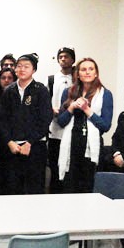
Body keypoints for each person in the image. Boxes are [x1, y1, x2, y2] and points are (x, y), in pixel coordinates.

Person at [0, 54, 53, 194]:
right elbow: (2, 119)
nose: (22, 69)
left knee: (34, 189)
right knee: (13, 189)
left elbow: (45, 119)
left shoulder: (41, 90)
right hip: (13, 147)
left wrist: (30, 142)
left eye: (26, 67)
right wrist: (9, 142)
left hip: (35, 147)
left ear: (34, 70)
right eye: (19, 66)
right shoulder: (9, 90)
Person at [56, 57, 113, 193]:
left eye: (91, 69)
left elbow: (105, 126)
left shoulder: (105, 94)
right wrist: (71, 108)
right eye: (83, 69)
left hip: (92, 146)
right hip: (71, 144)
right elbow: (61, 122)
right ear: (78, 74)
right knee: (70, 186)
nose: (87, 72)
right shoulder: (68, 92)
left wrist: (87, 110)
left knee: (88, 186)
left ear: (96, 73)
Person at [48, 47, 75, 194]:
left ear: (73, 60)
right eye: (61, 57)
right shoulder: (51, 79)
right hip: (55, 131)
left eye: (66, 56)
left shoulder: (77, 79)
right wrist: (51, 110)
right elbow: (45, 101)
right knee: (55, 168)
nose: (63, 59)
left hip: (72, 129)